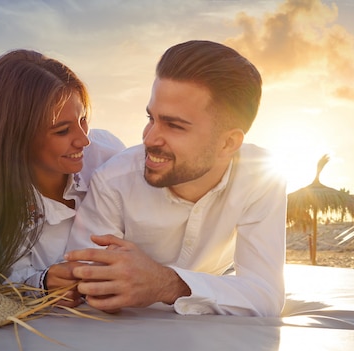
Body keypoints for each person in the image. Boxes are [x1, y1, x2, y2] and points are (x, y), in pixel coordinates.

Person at [64, 40, 286, 316]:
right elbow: (84, 280)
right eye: (151, 118)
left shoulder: (261, 179)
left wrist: (168, 283)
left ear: (228, 143)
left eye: (174, 125)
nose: (149, 138)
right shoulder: (113, 181)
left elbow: (265, 295)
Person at [0, 49, 125, 307]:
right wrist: (44, 283)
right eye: (62, 130)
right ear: (15, 138)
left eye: (83, 120)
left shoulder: (109, 156)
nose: (83, 139)